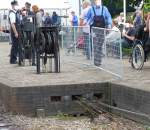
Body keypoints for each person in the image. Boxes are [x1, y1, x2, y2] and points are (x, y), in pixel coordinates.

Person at [85, 0, 112, 66]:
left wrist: (109, 24)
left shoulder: (104, 8)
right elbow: (87, 17)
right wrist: (87, 22)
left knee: (100, 45)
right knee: (96, 45)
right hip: (94, 30)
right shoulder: (91, 9)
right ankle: (97, 62)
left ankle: (98, 60)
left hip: (102, 30)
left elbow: (108, 16)